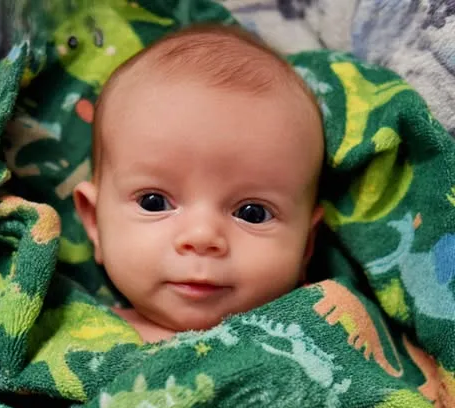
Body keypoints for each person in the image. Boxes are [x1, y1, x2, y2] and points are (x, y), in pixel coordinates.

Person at [73, 23, 325, 343]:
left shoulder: (319, 334)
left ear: (306, 245)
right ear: (95, 221)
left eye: (252, 213)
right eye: (154, 202)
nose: (202, 236)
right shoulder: (70, 337)